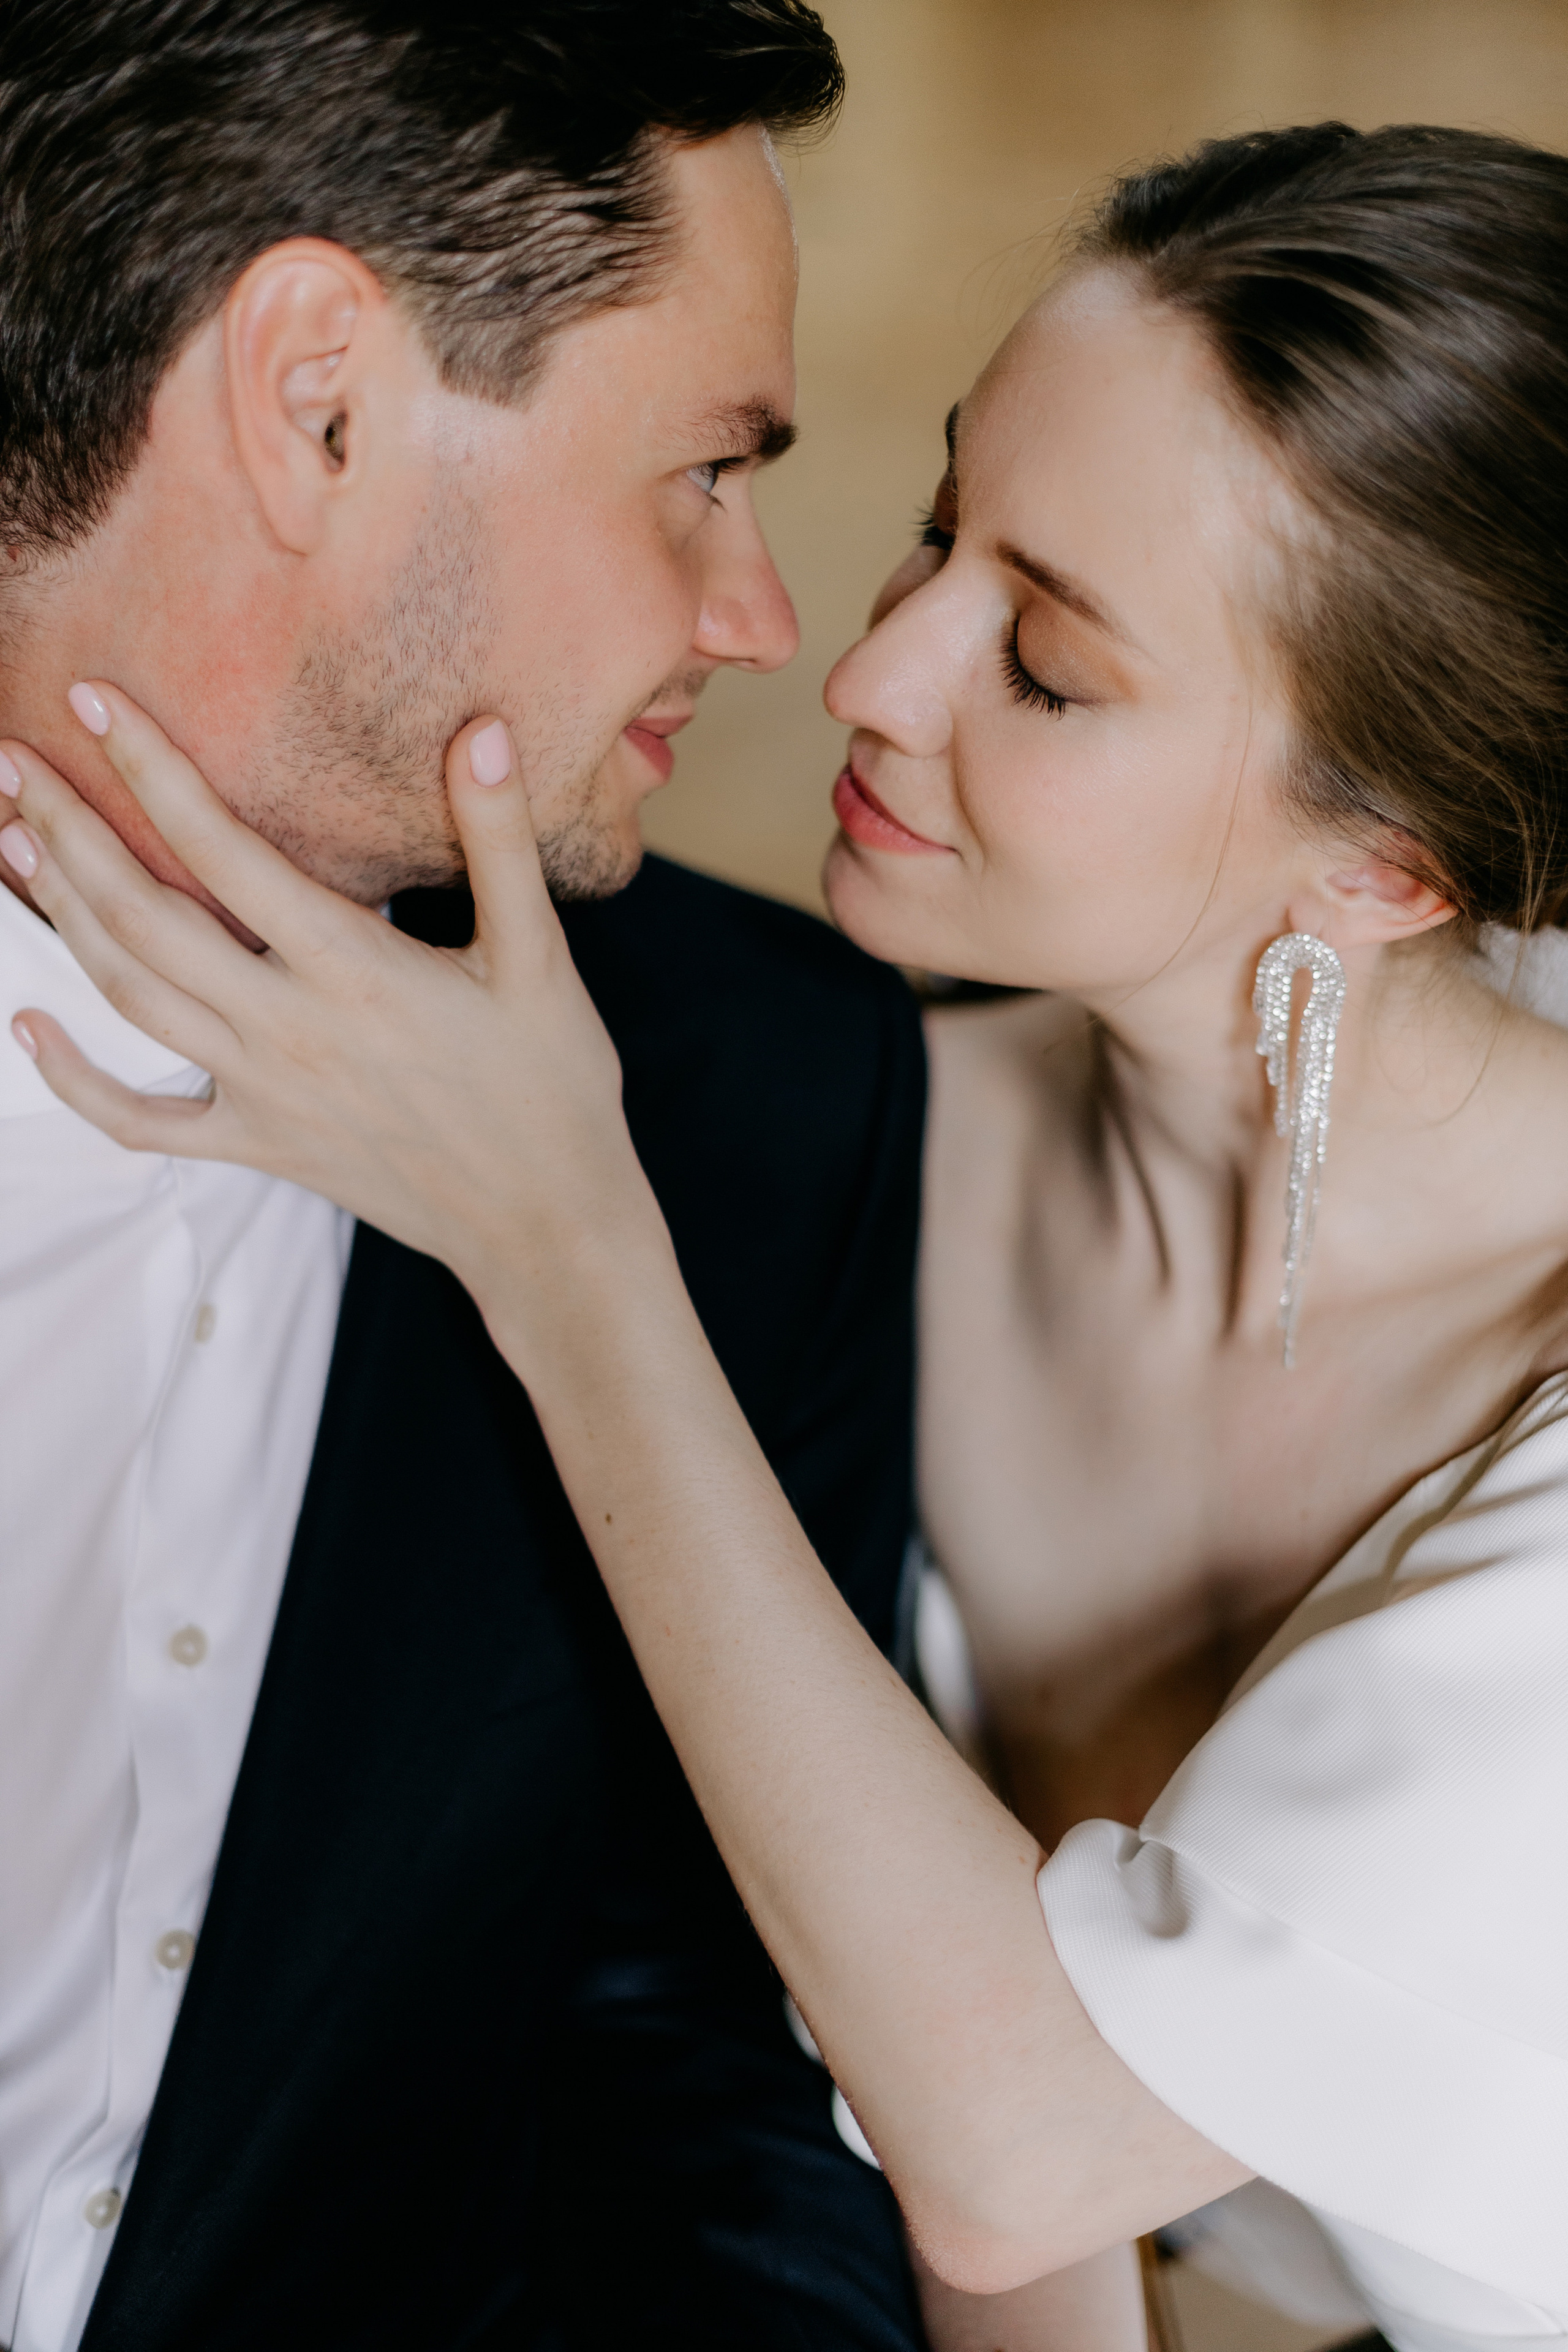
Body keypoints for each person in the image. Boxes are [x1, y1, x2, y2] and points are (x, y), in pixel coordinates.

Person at [9, 118, 1568, 2352]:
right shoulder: (856, 1132)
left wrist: (571, 1250)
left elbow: (1019, 2124)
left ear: (1391, 869)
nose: (862, 668)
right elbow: (939, 2158)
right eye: (945, 525)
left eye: (1041, 662)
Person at [0, 5, 937, 2349]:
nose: (762, 617)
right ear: (318, 396)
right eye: (705, 469)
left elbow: (700, 2056)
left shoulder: (757, 1101)